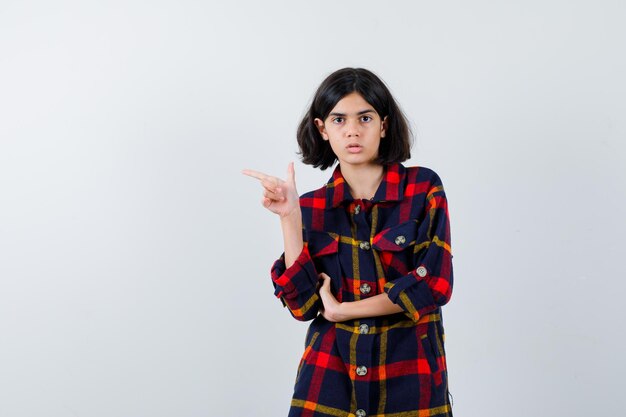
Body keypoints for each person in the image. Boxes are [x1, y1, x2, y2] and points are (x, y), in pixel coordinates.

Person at [242, 67, 454, 417]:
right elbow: (303, 306)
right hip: (329, 380)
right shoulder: (310, 206)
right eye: (338, 119)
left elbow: (434, 285)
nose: (353, 130)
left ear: (383, 125)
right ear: (322, 129)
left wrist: (344, 310)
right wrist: (290, 218)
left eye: (365, 118)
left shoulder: (422, 188)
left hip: (409, 377)